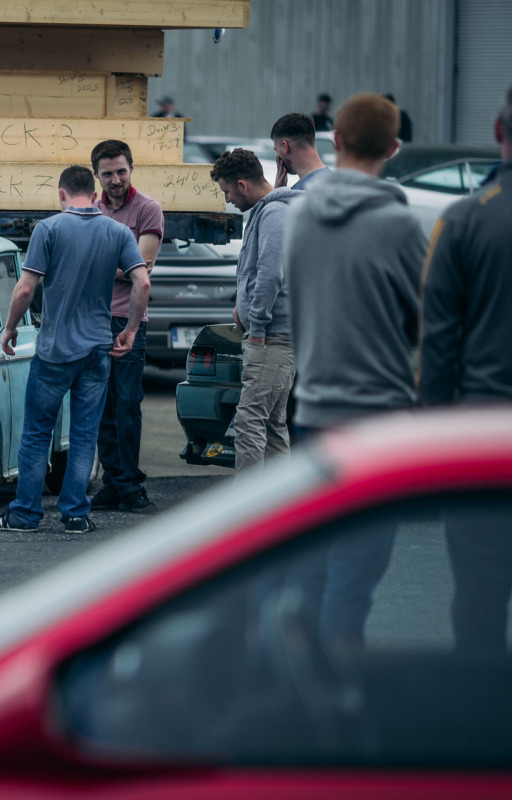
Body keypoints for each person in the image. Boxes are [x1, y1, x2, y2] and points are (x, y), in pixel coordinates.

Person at [283, 93, 427, 645]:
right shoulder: (398, 224)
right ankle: (340, 690)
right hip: (380, 418)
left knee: (314, 563)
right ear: (392, 148)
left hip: (314, 409)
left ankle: (300, 682)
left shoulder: (298, 220)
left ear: (335, 141)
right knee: (357, 575)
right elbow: (424, 322)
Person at [0, 166, 147, 534]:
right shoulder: (117, 231)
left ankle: (25, 514)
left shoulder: (49, 229)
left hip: (55, 351)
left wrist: (9, 328)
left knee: (38, 433)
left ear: (62, 194)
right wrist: (131, 330)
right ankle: (74, 515)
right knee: (85, 435)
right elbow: (142, 280)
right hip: (97, 351)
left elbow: (24, 289)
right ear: (95, 191)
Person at [419, 84, 512, 653]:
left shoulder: (462, 221)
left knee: (479, 594)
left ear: (499, 133)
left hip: (485, 440)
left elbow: (439, 345)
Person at [209, 148, 298, 474]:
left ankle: (247, 511)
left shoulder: (273, 214)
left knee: (249, 422)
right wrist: (242, 306)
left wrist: (256, 326)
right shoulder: (269, 210)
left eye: (227, 191)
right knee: (273, 424)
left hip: (271, 338)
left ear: (243, 185)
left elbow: (271, 273)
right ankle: (281, 509)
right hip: (273, 336)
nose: (228, 199)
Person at [89, 140, 164, 513]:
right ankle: (113, 482)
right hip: (94, 320)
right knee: (101, 405)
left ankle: (131, 484)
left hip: (129, 320)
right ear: (97, 176)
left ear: (131, 168)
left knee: (128, 406)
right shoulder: (92, 211)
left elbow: (142, 270)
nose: (115, 179)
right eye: (108, 173)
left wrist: (95, 265)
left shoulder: (147, 209)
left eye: (121, 171)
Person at [270, 112, 330, 190]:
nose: (277, 157)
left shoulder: (298, 196)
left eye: (277, 150)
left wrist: (277, 194)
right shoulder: (335, 181)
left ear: (285, 146)